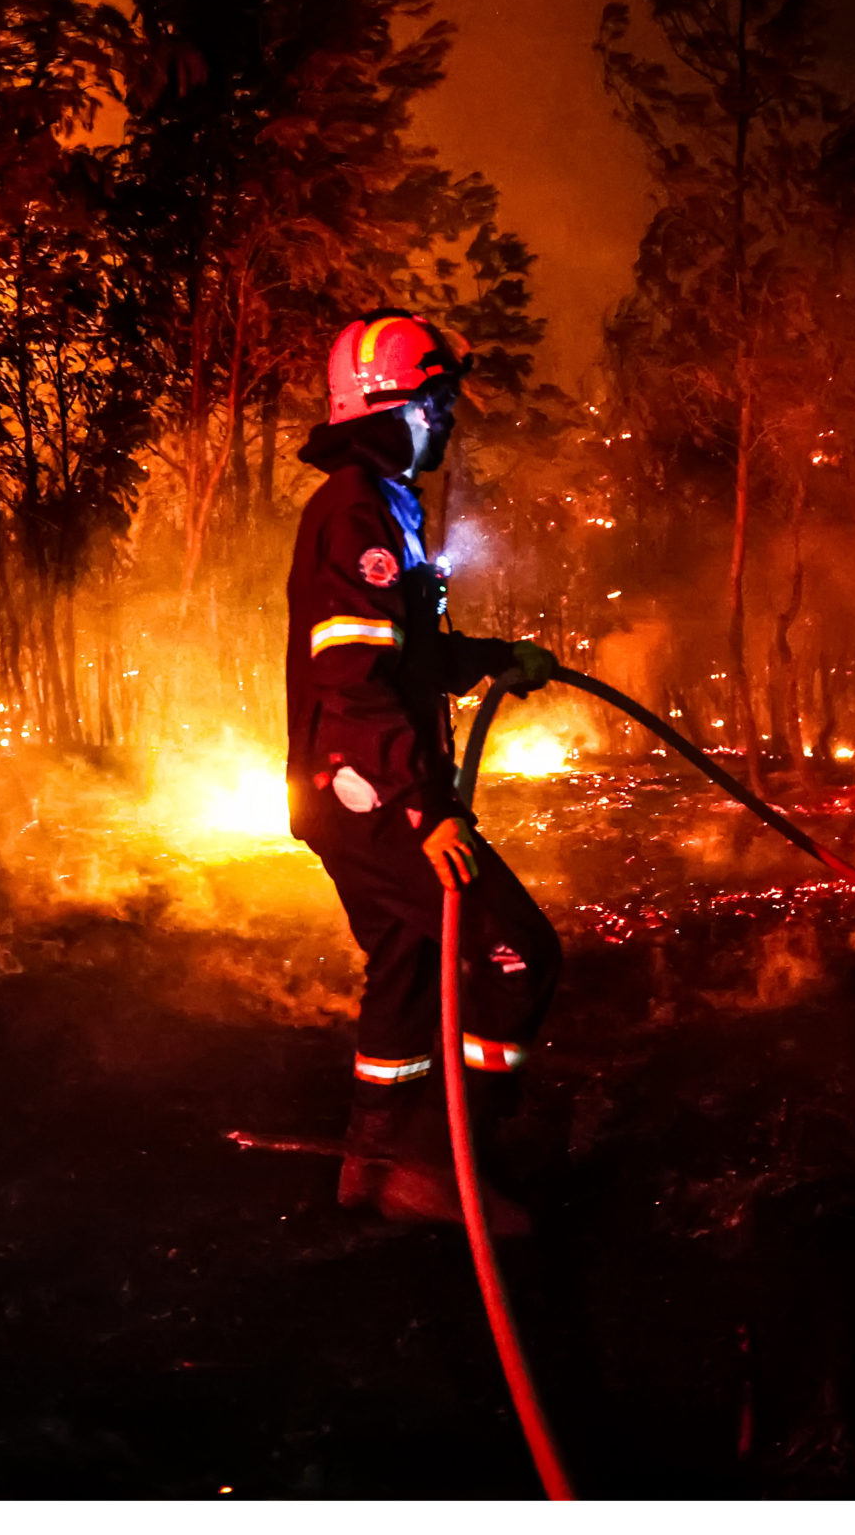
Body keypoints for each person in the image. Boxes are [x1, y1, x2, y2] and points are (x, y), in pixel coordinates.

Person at [286, 309, 560, 1228]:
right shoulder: (356, 510)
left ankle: (377, 1161)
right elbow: (351, 676)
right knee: (516, 952)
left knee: (407, 962)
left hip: (358, 789)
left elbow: (404, 654)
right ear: (388, 406)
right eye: (434, 404)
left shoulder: (384, 503)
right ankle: (454, 1157)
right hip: (372, 792)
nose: (446, 421)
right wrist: (421, 806)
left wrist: (494, 658)